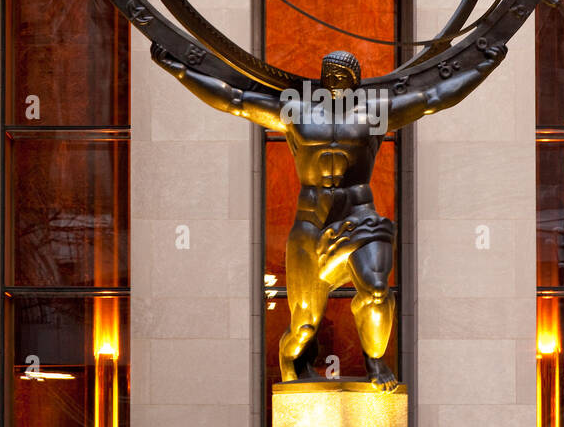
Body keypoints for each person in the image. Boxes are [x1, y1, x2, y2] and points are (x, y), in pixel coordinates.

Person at [150, 41, 503, 387]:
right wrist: (179, 69)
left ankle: (376, 363)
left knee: (377, 290)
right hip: (311, 226)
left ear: (356, 80)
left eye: (343, 74)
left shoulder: (373, 113)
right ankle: (292, 366)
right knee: (303, 324)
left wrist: (485, 66)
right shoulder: (297, 111)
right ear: (320, 78)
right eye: (329, 74)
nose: (335, 80)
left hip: (361, 218)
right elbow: (235, 100)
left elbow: (433, 98)